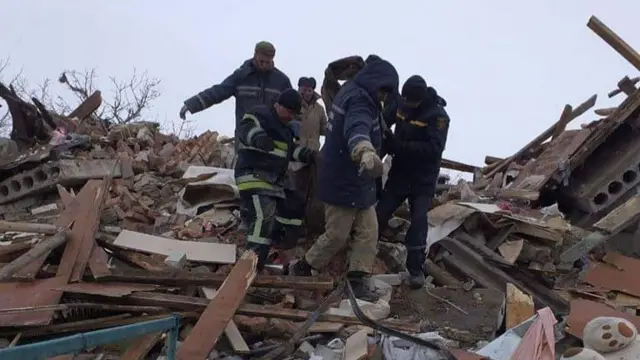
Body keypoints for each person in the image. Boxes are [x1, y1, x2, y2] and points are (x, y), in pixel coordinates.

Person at [288, 56, 399, 301]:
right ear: (375, 83)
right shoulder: (360, 100)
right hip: (343, 178)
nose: (384, 97)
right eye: (384, 91)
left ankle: (357, 280)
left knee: (369, 231)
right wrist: (366, 152)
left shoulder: (357, 90)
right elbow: (356, 129)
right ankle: (304, 267)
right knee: (337, 234)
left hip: (358, 180)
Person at [377, 75, 450, 289]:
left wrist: (398, 146)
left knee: (418, 221)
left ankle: (415, 269)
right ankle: (360, 256)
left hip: (423, 179)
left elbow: (433, 149)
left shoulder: (438, 117)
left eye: (410, 102)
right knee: (380, 212)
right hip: (400, 173)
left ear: (420, 99)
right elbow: (384, 118)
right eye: (404, 101)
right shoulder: (401, 103)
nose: (406, 106)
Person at [235, 89, 316, 270]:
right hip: (253, 176)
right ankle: (252, 262)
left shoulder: (285, 130)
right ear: (279, 105)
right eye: (290, 112)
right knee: (264, 215)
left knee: (295, 204)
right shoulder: (259, 114)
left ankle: (280, 243)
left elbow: (289, 152)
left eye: (294, 114)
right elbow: (246, 128)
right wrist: (258, 138)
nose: (291, 117)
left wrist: (306, 154)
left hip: (275, 180)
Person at [179, 41, 292, 126]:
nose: (263, 65)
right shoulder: (241, 76)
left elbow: (294, 109)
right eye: (261, 61)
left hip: (273, 140)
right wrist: (192, 104)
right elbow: (218, 91)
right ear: (255, 55)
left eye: (267, 62)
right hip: (245, 140)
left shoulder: (282, 81)